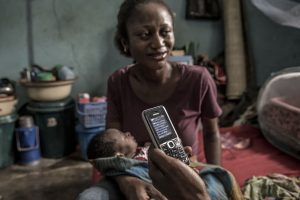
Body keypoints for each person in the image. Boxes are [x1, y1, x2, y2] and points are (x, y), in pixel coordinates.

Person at [78, 0, 222, 199]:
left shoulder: (199, 79)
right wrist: (127, 181)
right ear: (125, 42)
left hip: (182, 175)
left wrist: (216, 177)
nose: (158, 44)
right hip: (131, 175)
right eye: (145, 35)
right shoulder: (118, 82)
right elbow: (112, 147)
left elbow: (212, 135)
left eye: (165, 32)